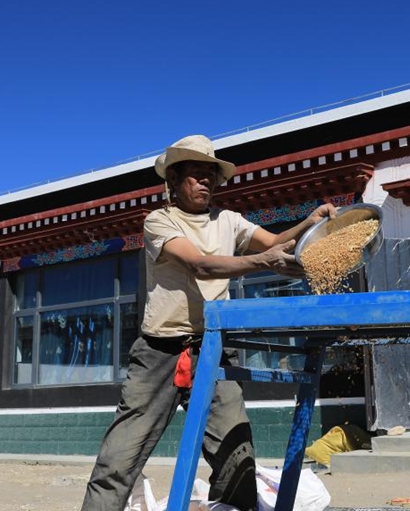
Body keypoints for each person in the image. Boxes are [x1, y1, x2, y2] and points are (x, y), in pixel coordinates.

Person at [82, 135, 336, 511]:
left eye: (210, 176)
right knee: (119, 458)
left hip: (215, 349)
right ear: (173, 181)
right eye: (196, 174)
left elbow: (274, 242)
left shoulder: (228, 221)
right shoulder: (160, 221)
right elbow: (201, 263)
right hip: (160, 352)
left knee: (237, 457)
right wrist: (265, 261)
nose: (205, 182)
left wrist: (308, 224)